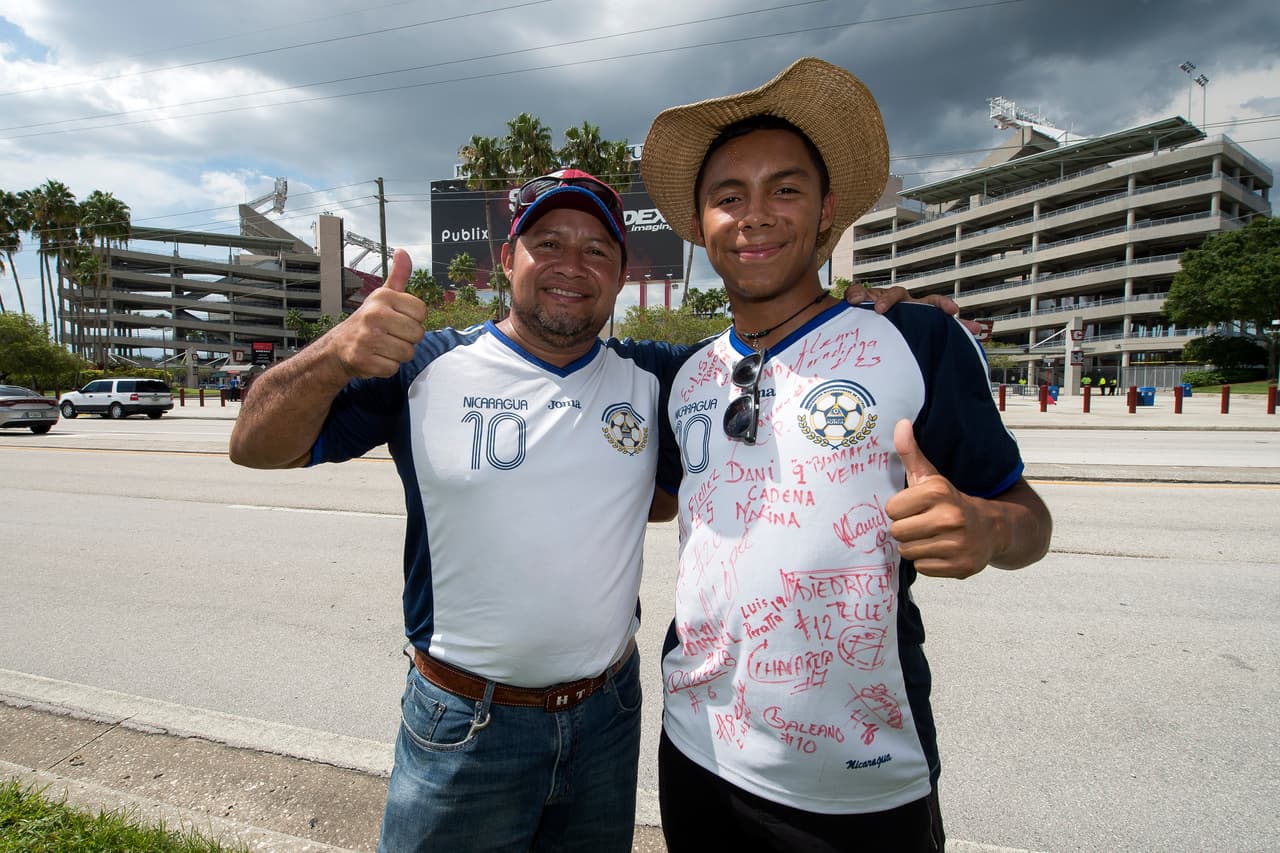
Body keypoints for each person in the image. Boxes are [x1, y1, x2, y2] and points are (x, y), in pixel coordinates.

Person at [228, 166, 933, 851]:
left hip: (606, 719)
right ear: (508, 258)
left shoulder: (659, 375)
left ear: (621, 275)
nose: (573, 263)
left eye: (597, 248)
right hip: (464, 726)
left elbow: (768, 349)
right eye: (549, 243)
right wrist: (334, 355)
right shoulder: (425, 366)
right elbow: (255, 445)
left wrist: (855, 314)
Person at [640, 58, 1054, 852]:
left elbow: (1029, 519)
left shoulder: (914, 338)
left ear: (827, 209)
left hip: (861, 780)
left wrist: (988, 530)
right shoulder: (687, 374)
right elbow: (668, 501)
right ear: (701, 222)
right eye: (729, 196)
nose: (754, 215)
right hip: (694, 750)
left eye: (784, 189)